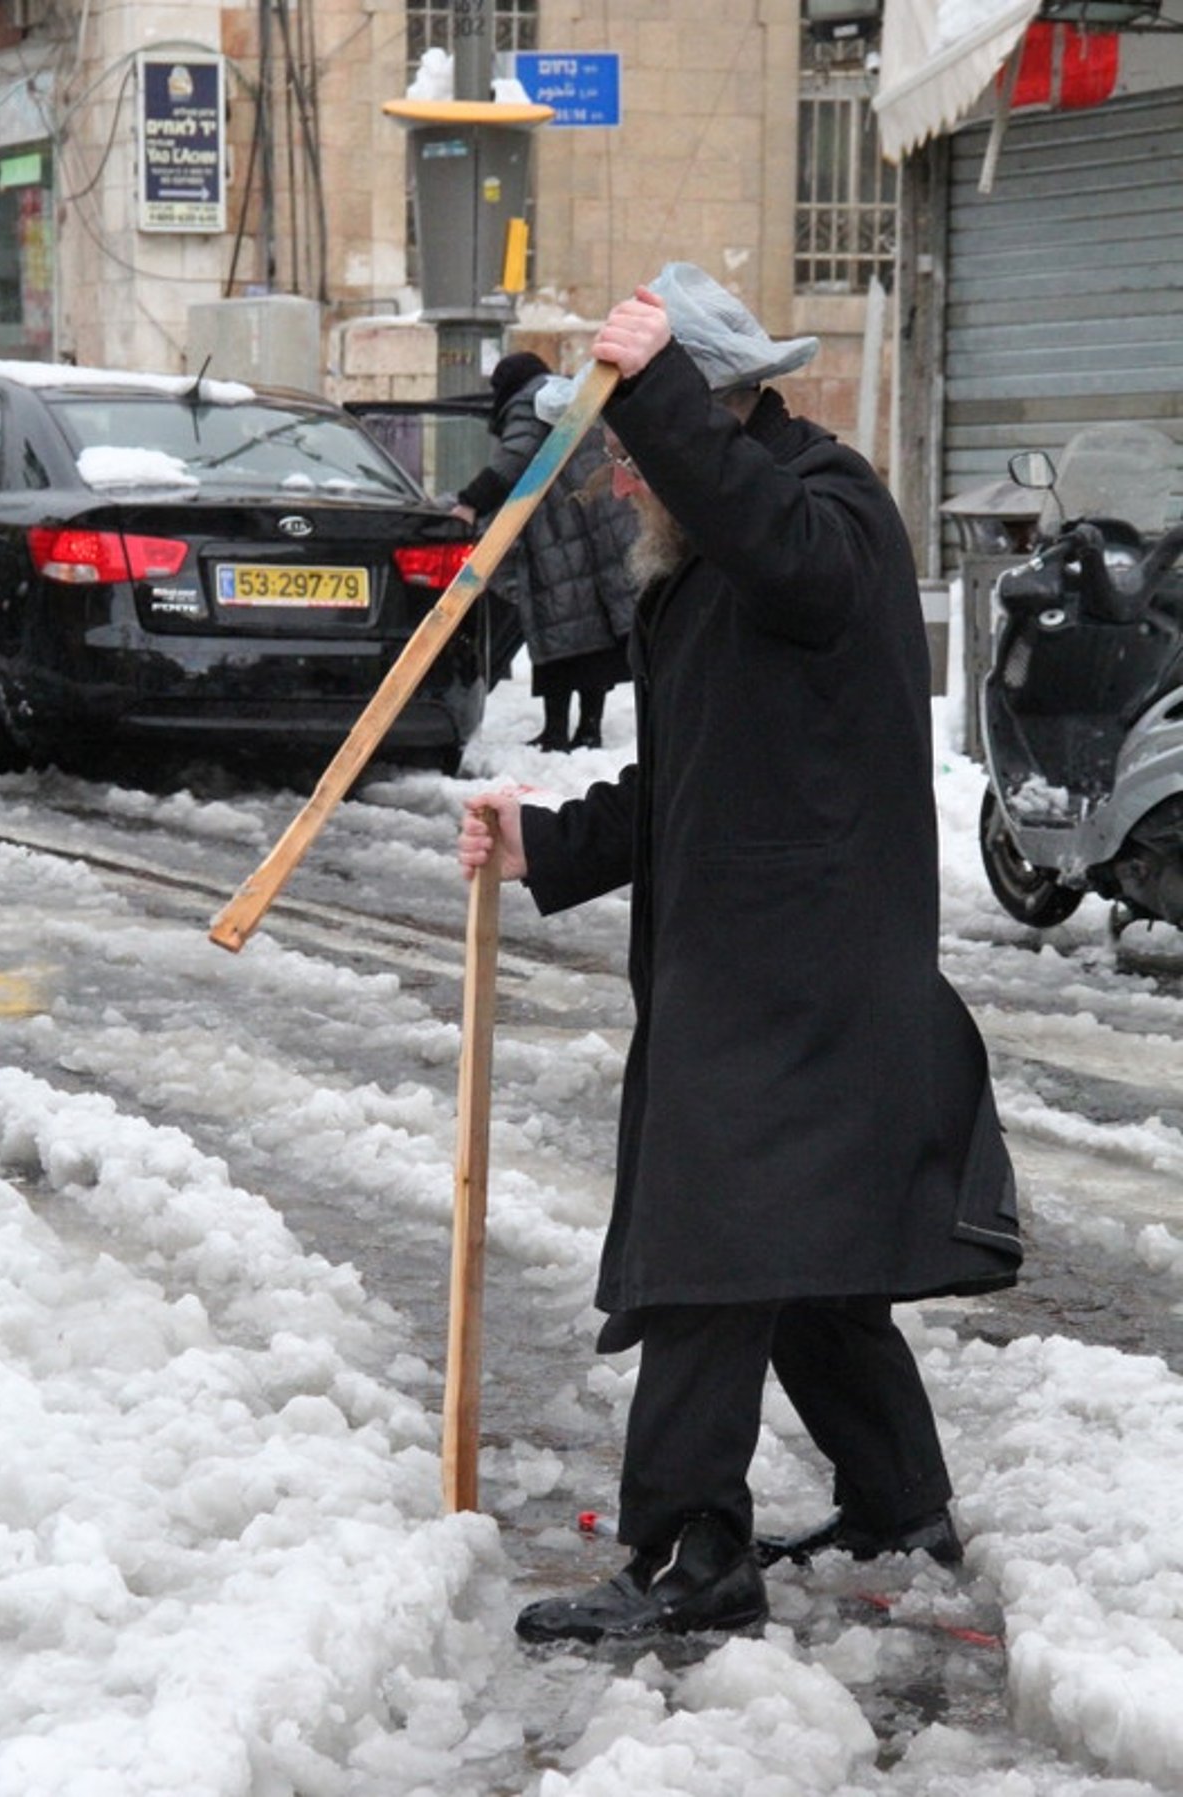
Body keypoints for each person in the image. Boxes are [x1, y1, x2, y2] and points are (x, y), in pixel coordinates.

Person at [457, 263, 1022, 1646]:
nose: (620, 483)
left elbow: (774, 539)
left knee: (708, 1246)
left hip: (804, 967)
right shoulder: (715, 557)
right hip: (779, 959)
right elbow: (703, 774)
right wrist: (557, 841)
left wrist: (649, 396)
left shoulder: (821, 517)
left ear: (702, 418)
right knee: (808, 1250)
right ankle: (897, 1498)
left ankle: (686, 1553)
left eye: (637, 449)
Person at [452, 351, 637, 752]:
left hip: (558, 535)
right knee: (594, 636)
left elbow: (515, 458)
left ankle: (557, 733)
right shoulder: (566, 394)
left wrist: (470, 501)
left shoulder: (529, 402)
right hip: (593, 530)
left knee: (558, 631)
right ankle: (588, 729)